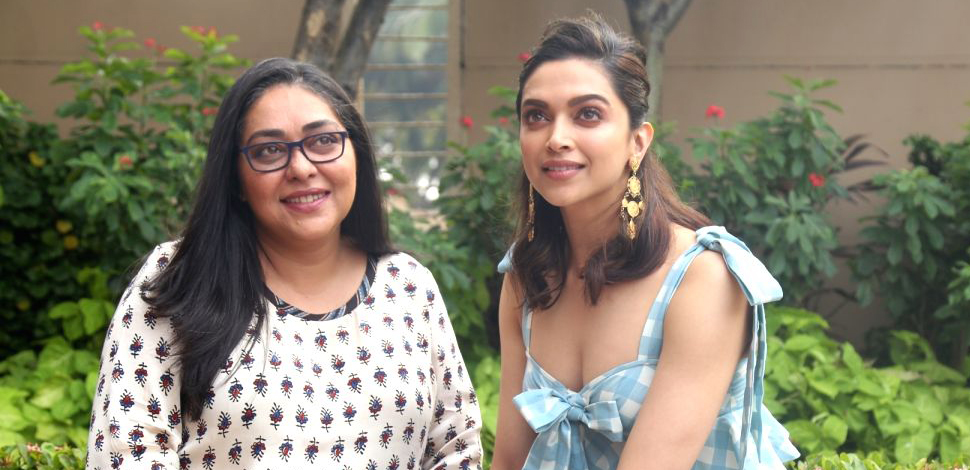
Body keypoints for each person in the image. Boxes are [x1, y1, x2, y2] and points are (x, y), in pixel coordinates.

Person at [86, 58, 482, 469]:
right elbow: (126, 453)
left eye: (323, 141)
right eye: (269, 150)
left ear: (357, 154)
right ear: (236, 178)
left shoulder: (408, 286)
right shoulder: (178, 279)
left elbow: (456, 450)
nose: (302, 168)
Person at [489, 14, 799, 470]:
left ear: (638, 141)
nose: (556, 138)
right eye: (536, 116)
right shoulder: (525, 276)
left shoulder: (702, 279)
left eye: (587, 114)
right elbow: (510, 460)